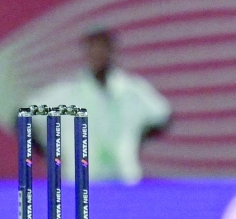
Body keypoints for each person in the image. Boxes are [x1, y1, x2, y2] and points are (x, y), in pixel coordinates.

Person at [24, 28, 172, 184]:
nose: (98, 53)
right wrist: (49, 151)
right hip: (81, 180)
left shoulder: (131, 89)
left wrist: (136, 139)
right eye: (93, 48)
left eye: (103, 47)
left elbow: (162, 115)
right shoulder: (67, 92)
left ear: (112, 51)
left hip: (124, 178)